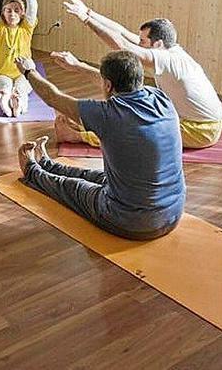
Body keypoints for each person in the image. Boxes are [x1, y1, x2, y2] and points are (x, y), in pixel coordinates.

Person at [13, 51, 185, 240]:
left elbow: (53, 97)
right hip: (173, 214)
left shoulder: (107, 114)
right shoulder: (161, 98)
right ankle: (49, 165)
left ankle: (31, 171)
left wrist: (29, 71)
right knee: (98, 176)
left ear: (108, 85)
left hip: (131, 222)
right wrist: (78, 66)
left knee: (71, 188)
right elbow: (113, 82)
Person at [56, 0, 222, 149]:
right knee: (129, 96)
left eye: (143, 41)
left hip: (201, 130)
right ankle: (84, 127)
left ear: (158, 44)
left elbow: (122, 45)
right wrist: (89, 11)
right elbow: (121, 31)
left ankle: (78, 136)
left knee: (133, 126)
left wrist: (85, 19)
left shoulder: (168, 59)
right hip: (188, 120)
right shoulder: (168, 51)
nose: (139, 43)